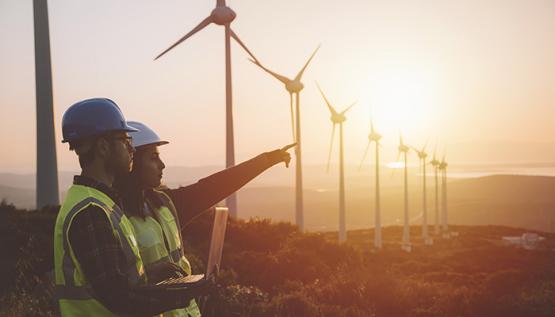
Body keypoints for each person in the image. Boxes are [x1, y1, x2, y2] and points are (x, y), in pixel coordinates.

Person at [114, 121, 295, 317]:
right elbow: (120, 289)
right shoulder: (114, 216)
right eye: (153, 158)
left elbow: (215, 186)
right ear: (132, 162)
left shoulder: (166, 204)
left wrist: (267, 159)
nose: (162, 164)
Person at [53, 98, 211, 317]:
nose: (131, 148)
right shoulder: (91, 212)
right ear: (103, 147)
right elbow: (121, 300)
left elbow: (115, 282)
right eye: (125, 139)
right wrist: (188, 290)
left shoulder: (103, 204)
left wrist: (151, 273)